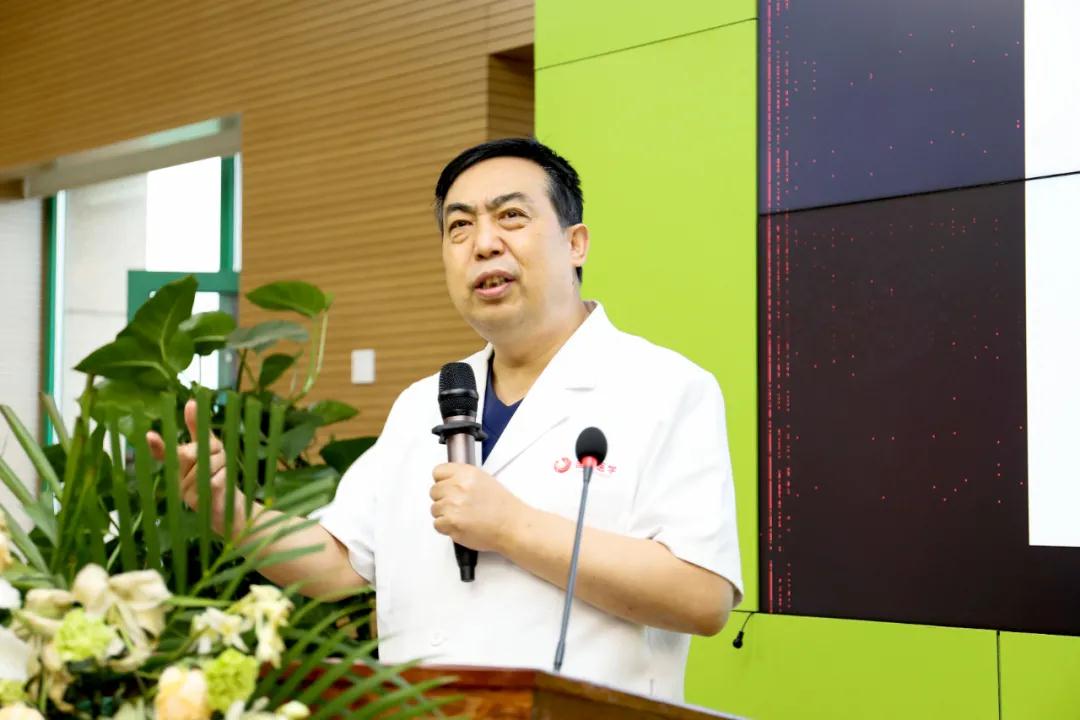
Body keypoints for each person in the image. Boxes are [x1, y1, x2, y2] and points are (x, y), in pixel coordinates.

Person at [148, 138, 742, 701]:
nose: (483, 243)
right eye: (459, 226)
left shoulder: (664, 388)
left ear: (576, 243)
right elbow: (338, 562)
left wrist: (511, 527)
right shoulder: (422, 403)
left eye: (511, 216)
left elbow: (702, 595)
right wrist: (227, 508)